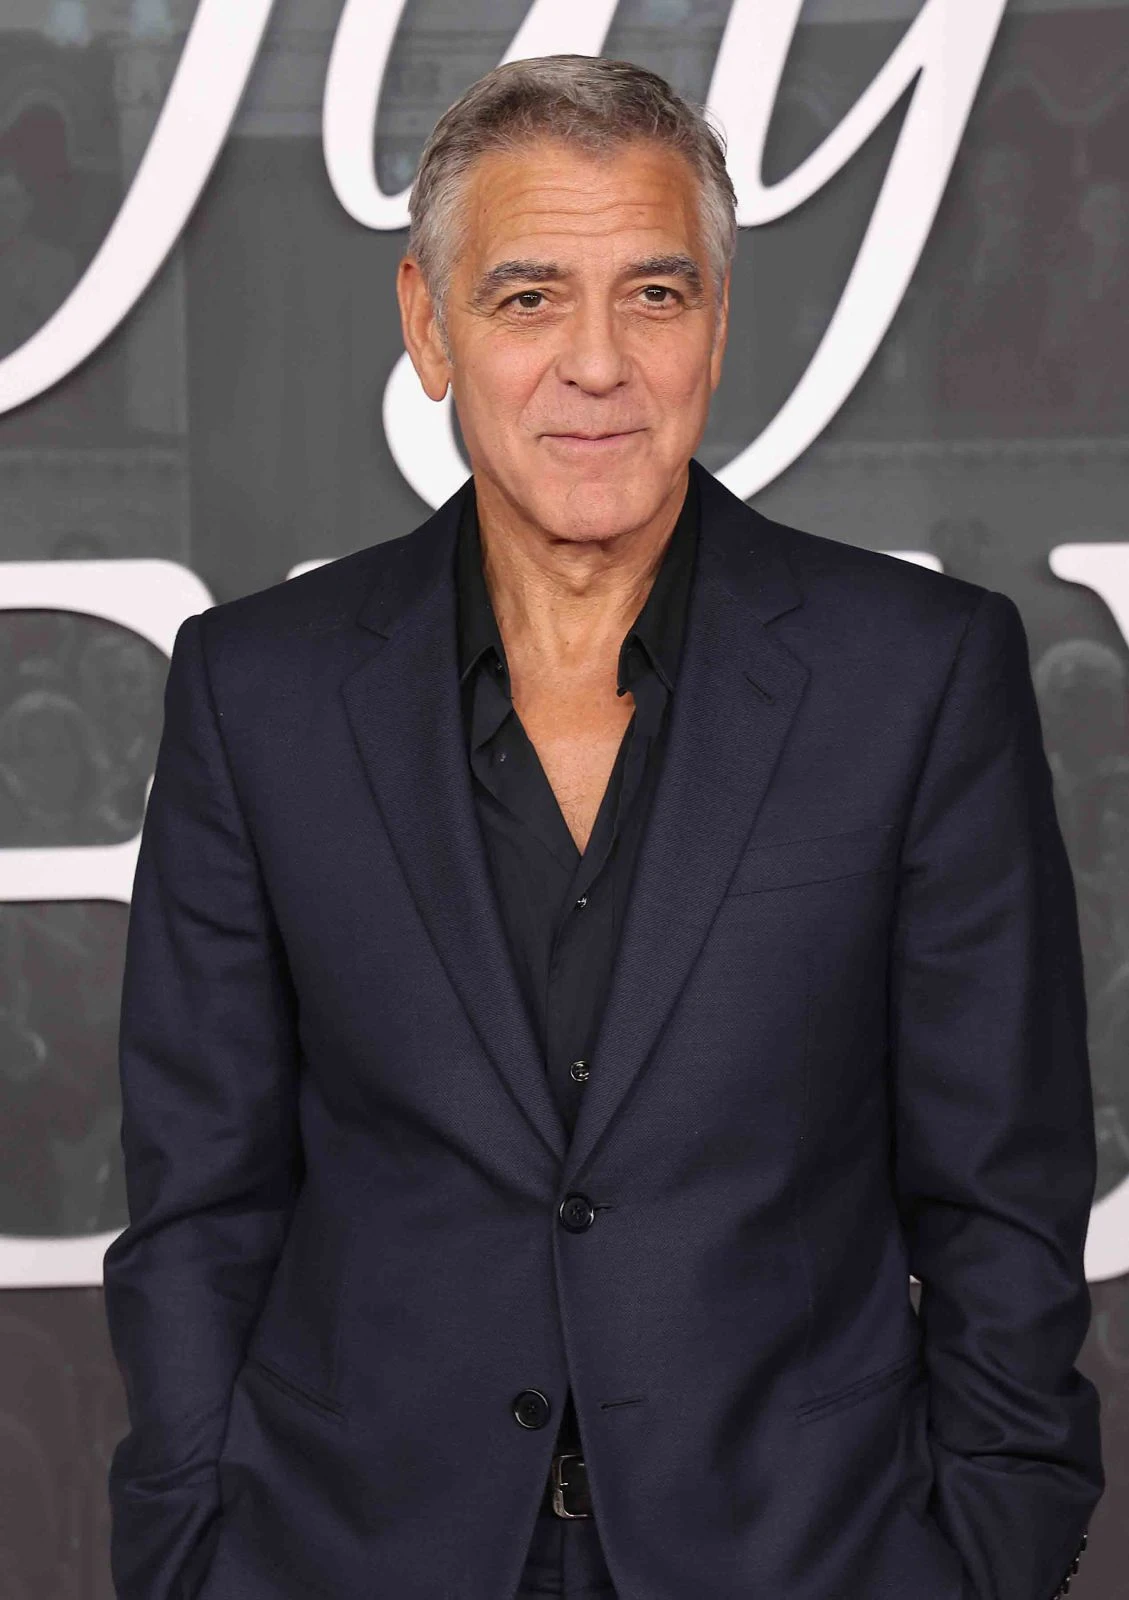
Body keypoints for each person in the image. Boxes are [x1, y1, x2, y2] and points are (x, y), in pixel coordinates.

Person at [103, 55, 1101, 1600]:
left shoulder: (920, 674)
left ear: (717, 323)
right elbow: (200, 1204)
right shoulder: (259, 692)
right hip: (347, 1560)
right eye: (527, 298)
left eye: (654, 294)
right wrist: (190, 1553)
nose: (597, 364)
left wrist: (985, 1554)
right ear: (429, 328)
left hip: (811, 1560)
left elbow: (1002, 1199)